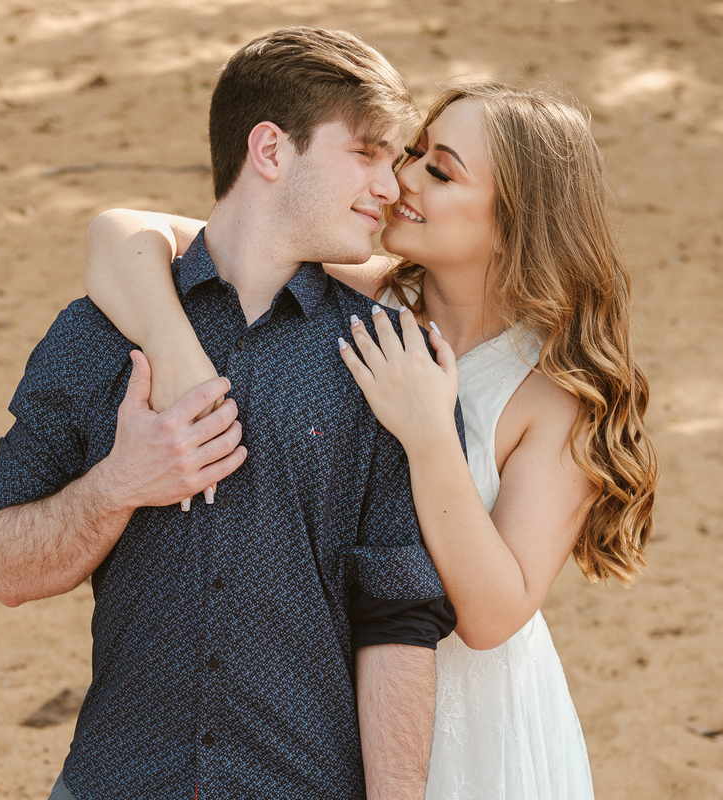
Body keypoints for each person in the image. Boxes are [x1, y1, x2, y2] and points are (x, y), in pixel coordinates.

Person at [83, 78, 659, 798]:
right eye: (415, 151)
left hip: (470, 725)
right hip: (325, 698)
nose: (400, 178)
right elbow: (118, 234)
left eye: (440, 170)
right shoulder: (362, 290)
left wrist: (429, 434)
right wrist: (180, 359)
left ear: (515, 223)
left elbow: (492, 617)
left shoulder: (554, 396)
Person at [0, 27, 459, 800]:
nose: (391, 185)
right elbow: (5, 567)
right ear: (269, 150)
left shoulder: (387, 359)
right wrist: (120, 484)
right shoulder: (98, 334)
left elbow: (397, 622)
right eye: (367, 153)